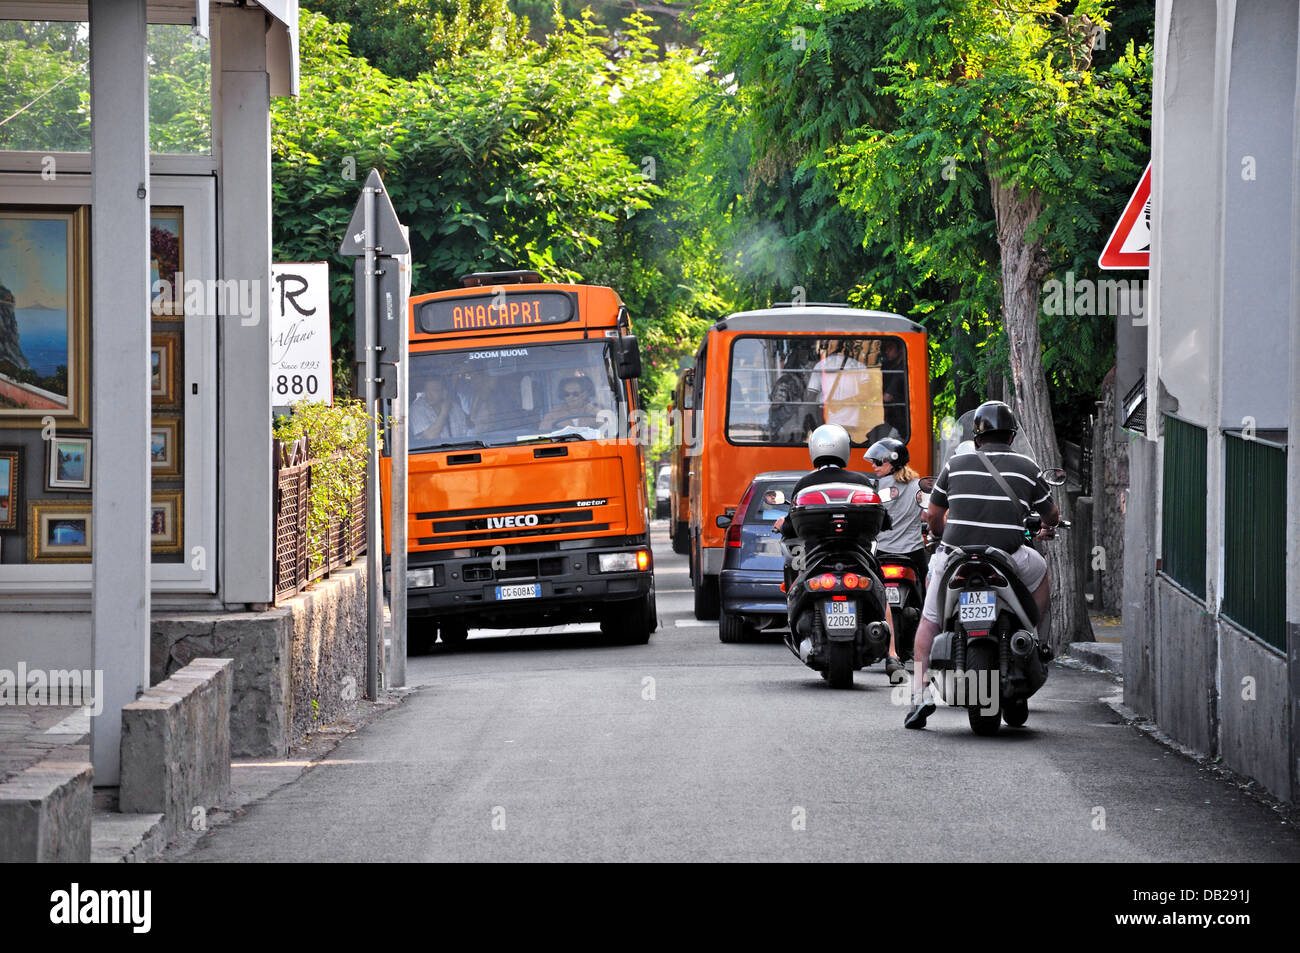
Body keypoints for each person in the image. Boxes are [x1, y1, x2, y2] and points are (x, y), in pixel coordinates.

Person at [903, 400, 1060, 729]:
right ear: (1012, 435)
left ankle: (918, 695)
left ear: (976, 436)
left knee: (929, 622)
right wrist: (1047, 527)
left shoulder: (955, 464)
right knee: (1042, 571)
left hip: (955, 557)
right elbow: (1051, 515)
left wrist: (941, 534)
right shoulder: (1028, 467)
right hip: (1008, 557)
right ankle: (1032, 635)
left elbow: (933, 516)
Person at [779, 424, 898, 646]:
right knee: (881, 591)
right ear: (845, 449)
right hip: (859, 556)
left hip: (814, 557)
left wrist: (783, 525)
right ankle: (892, 654)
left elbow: (789, 528)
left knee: (796, 579)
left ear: (815, 449)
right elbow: (883, 521)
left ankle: (794, 621)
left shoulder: (805, 484)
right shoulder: (861, 481)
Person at [866, 436, 925, 680]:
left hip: (882, 552)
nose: (874, 466)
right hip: (913, 552)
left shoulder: (875, 489)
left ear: (892, 461)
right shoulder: (919, 486)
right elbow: (928, 515)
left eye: (878, 462)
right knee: (929, 597)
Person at [410, 375, 469, 445]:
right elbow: (430, 436)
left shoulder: (455, 408)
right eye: (426, 390)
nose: (429, 394)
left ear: (444, 392)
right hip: (431, 451)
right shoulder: (417, 409)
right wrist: (444, 413)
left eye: (434, 390)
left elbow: (464, 435)